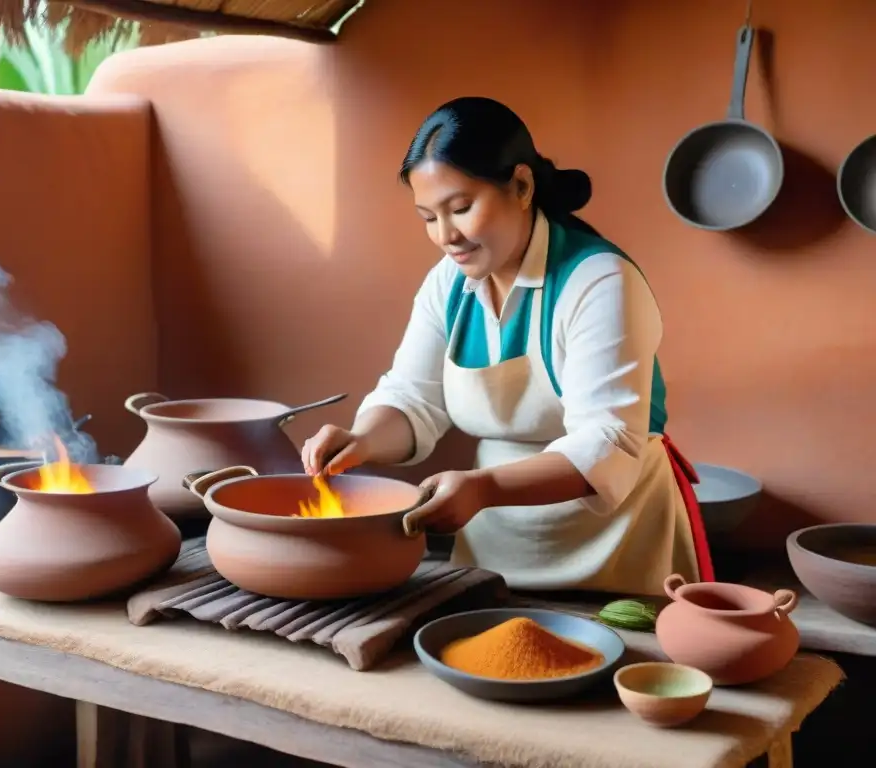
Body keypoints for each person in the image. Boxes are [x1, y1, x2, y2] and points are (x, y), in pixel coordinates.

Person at [301, 97, 713, 596]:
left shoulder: (599, 280)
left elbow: (607, 441)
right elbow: (413, 398)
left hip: (618, 541)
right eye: (428, 217)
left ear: (521, 186)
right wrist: (361, 439)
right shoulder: (447, 286)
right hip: (494, 541)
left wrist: (485, 487)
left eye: (461, 208)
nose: (446, 236)